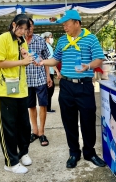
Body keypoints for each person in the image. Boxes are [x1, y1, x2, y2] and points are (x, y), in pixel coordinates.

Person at [39, 10, 106, 168]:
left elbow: (99, 58)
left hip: (84, 86)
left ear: (77, 23)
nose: (64, 27)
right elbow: (55, 59)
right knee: (69, 121)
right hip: (66, 86)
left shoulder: (90, 38)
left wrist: (88, 66)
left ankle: (89, 152)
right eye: (63, 24)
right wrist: (42, 62)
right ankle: (74, 152)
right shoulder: (63, 40)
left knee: (88, 121)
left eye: (66, 24)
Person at [0, 14, 34, 174]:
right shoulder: (3, 39)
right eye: (20, 28)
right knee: (8, 127)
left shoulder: (22, 41)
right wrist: (21, 61)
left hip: (20, 90)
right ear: (13, 24)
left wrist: (26, 56)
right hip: (4, 90)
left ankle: (23, 153)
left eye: (25, 29)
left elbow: (25, 62)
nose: (22, 31)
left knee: (24, 125)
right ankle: (10, 162)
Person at [25, 18, 52, 147]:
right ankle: (34, 131)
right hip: (26, 80)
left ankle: (41, 132)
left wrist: (48, 76)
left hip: (40, 78)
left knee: (43, 104)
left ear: (33, 27)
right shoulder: (19, 41)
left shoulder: (40, 41)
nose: (29, 29)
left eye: (31, 26)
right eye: (26, 26)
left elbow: (46, 60)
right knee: (30, 106)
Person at [41, 32, 61, 113]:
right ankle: (47, 108)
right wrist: (57, 71)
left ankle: (47, 107)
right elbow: (50, 61)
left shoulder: (47, 46)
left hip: (48, 71)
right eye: (50, 37)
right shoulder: (47, 46)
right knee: (50, 90)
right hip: (49, 72)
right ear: (46, 38)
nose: (51, 38)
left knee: (49, 90)